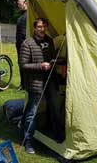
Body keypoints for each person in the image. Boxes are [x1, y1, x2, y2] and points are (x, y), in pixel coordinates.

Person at [19, 18, 56, 154]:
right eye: (39, 27)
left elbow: (52, 57)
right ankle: (28, 141)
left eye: (44, 26)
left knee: (53, 107)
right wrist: (40, 66)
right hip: (35, 83)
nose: (42, 29)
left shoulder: (49, 40)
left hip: (50, 81)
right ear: (35, 28)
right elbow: (23, 65)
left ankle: (56, 134)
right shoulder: (27, 43)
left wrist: (54, 62)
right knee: (32, 112)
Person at [16, 0, 27, 89]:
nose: (18, 5)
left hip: (24, 44)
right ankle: (23, 83)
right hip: (19, 44)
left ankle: (25, 83)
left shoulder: (28, 15)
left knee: (24, 64)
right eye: (18, 4)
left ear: (25, 3)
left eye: (19, 3)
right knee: (20, 63)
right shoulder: (22, 15)